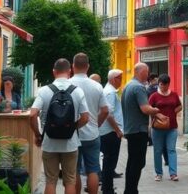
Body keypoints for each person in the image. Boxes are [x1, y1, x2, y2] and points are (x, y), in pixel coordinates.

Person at [29, 58, 90, 194]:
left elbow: (32, 114)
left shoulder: (44, 90)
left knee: (50, 180)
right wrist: (72, 128)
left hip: (49, 142)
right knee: (70, 180)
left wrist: (38, 135)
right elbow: (85, 118)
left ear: (54, 72)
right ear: (70, 71)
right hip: (71, 143)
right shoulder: (77, 91)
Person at [70, 53, 109, 194]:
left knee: (74, 171)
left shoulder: (68, 85)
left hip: (73, 135)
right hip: (92, 134)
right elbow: (105, 110)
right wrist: (96, 124)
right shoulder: (97, 86)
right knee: (92, 169)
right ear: (88, 67)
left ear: (73, 66)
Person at [121, 63, 160, 194]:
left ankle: (129, 189)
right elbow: (145, 108)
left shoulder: (127, 85)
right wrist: (156, 110)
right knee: (138, 162)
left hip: (130, 129)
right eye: (147, 72)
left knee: (132, 162)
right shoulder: (139, 87)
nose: (148, 75)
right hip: (138, 130)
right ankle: (132, 190)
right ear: (141, 72)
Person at [148, 74, 182, 182]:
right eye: (162, 85)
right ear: (159, 84)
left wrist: (174, 111)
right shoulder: (154, 96)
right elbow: (149, 109)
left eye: (166, 85)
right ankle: (158, 173)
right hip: (157, 128)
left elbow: (179, 105)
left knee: (171, 150)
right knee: (157, 150)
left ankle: (173, 174)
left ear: (169, 84)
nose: (164, 87)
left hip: (172, 127)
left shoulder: (174, 95)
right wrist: (158, 115)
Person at [100, 69, 124, 194]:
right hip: (110, 133)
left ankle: (106, 187)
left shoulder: (110, 91)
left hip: (109, 132)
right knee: (110, 162)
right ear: (114, 79)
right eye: (120, 78)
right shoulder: (109, 92)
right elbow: (109, 114)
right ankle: (107, 189)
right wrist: (118, 130)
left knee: (108, 162)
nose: (121, 80)